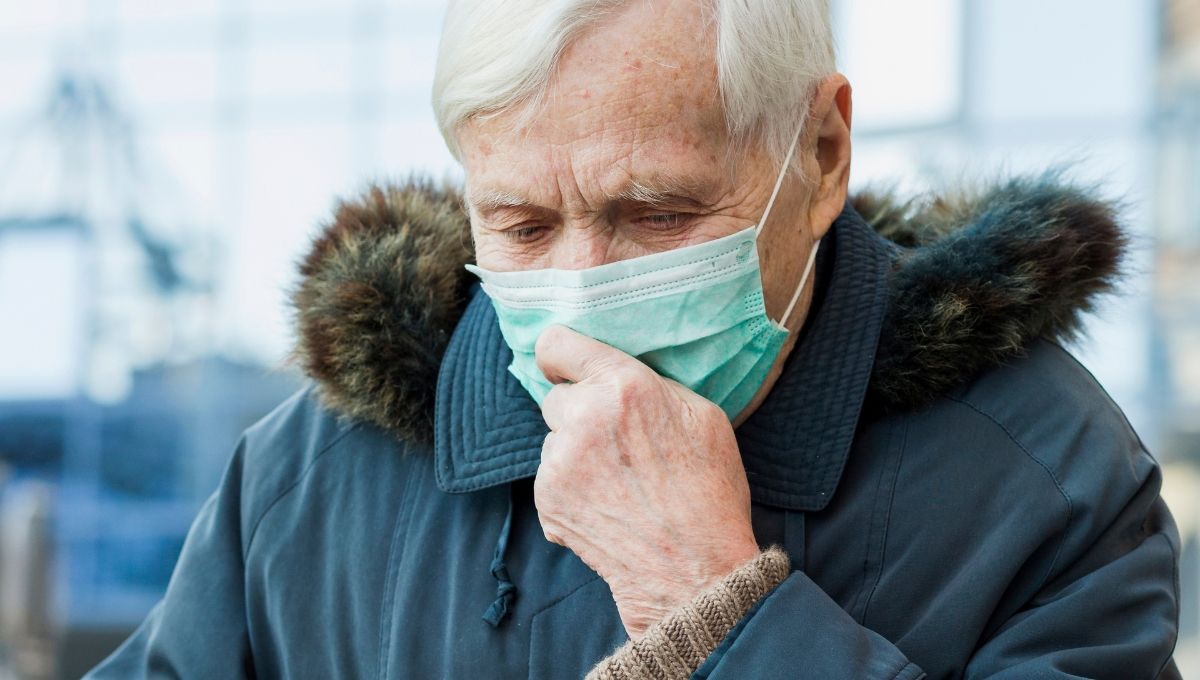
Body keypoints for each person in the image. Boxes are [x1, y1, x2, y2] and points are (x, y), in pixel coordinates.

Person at [88, 0, 1181, 678]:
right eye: (520, 223)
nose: (580, 291)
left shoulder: (1053, 484)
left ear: (824, 153)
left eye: (658, 214)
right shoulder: (309, 476)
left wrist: (714, 603)